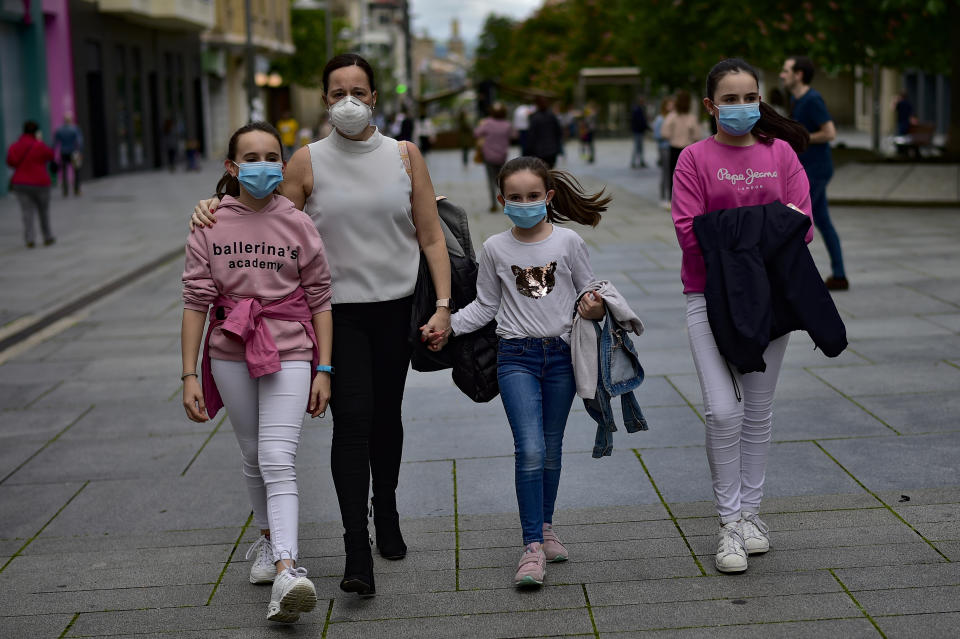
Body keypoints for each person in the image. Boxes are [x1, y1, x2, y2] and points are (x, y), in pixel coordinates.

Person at [189, 53, 452, 597]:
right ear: (325, 99)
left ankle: (390, 507)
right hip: (336, 315)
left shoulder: (405, 155)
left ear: (375, 97)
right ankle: (357, 549)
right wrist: (210, 205)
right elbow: (262, 216)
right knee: (353, 421)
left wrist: (444, 304)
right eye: (337, 93)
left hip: (396, 307)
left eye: (359, 90)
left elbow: (430, 235)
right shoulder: (306, 161)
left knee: (387, 419)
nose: (349, 101)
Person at [429, 156, 610, 588]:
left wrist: (597, 307)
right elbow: (487, 306)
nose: (525, 203)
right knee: (528, 447)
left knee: (550, 447)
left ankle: (546, 528)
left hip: (562, 358)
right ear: (501, 201)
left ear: (547, 198)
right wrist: (447, 324)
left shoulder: (568, 244)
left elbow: (589, 292)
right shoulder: (495, 248)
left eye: (533, 196)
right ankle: (531, 546)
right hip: (516, 358)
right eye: (515, 198)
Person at [180, 121, 332, 623]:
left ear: (283, 164)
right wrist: (188, 376)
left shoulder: (298, 223)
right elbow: (196, 301)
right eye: (252, 156)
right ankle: (268, 544)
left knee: (275, 454)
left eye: (272, 156)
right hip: (229, 351)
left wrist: (323, 368)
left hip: (290, 349)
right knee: (251, 453)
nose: (263, 165)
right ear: (232, 167)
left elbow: (320, 299)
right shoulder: (209, 222)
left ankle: (289, 568)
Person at [671, 58, 813, 575]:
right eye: (729, 99)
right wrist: (764, 228)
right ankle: (728, 522)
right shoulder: (692, 159)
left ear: (761, 99)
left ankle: (750, 517)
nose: (741, 107)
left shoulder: (782, 155)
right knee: (722, 412)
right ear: (711, 106)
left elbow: (803, 227)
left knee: (757, 411)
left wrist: (729, 231)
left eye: (749, 97)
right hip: (707, 298)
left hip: (770, 301)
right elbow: (690, 233)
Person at [781, 55, 848, 291]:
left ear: (799, 75)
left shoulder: (812, 100)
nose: (781, 74)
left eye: (786, 71)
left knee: (798, 220)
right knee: (822, 221)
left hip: (816, 171)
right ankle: (839, 274)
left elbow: (830, 133)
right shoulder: (795, 99)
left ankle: (794, 276)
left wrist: (803, 138)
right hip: (806, 169)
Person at [6, 120, 56, 248]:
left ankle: (29, 238)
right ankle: (47, 236)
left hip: (21, 183)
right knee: (43, 212)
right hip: (41, 183)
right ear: (36, 132)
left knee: (27, 212)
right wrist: (40, 141)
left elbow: (11, 162)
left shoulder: (15, 146)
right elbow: (51, 155)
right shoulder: (39, 145)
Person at [661, 89, 702, 207]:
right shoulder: (692, 118)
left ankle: (671, 199)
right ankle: (687, 199)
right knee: (688, 176)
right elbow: (697, 135)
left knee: (672, 175)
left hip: (674, 148)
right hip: (688, 149)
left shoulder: (671, 116)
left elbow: (664, 133)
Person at [474, 102, 514, 212]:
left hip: (488, 155)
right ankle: (504, 202)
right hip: (502, 156)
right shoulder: (507, 125)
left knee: (491, 180)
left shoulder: (487, 123)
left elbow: (476, 133)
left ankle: (493, 204)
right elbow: (514, 135)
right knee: (501, 180)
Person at [526, 96, 564, 169]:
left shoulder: (534, 117)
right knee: (550, 172)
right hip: (551, 150)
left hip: (538, 151)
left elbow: (531, 136)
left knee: (541, 173)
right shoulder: (552, 116)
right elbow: (558, 132)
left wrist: (528, 151)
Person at [53, 111, 83, 196]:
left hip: (64, 152)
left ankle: (65, 191)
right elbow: (80, 141)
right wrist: (80, 151)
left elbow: (55, 143)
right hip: (74, 152)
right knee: (77, 171)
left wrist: (53, 153)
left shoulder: (59, 129)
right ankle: (77, 190)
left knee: (64, 172)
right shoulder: (75, 128)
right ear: (71, 120)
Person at [652, 97, 675, 207]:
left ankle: (671, 196)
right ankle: (664, 197)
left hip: (673, 147)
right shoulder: (660, 119)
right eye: (669, 104)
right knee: (666, 172)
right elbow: (656, 135)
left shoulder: (675, 117)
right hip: (665, 148)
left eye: (672, 104)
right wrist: (669, 136)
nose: (671, 107)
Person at [630, 95, 650, 168]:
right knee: (637, 147)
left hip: (639, 131)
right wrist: (647, 127)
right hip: (638, 131)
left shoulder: (639, 109)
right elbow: (640, 121)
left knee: (640, 147)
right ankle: (634, 162)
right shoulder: (637, 110)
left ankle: (640, 161)